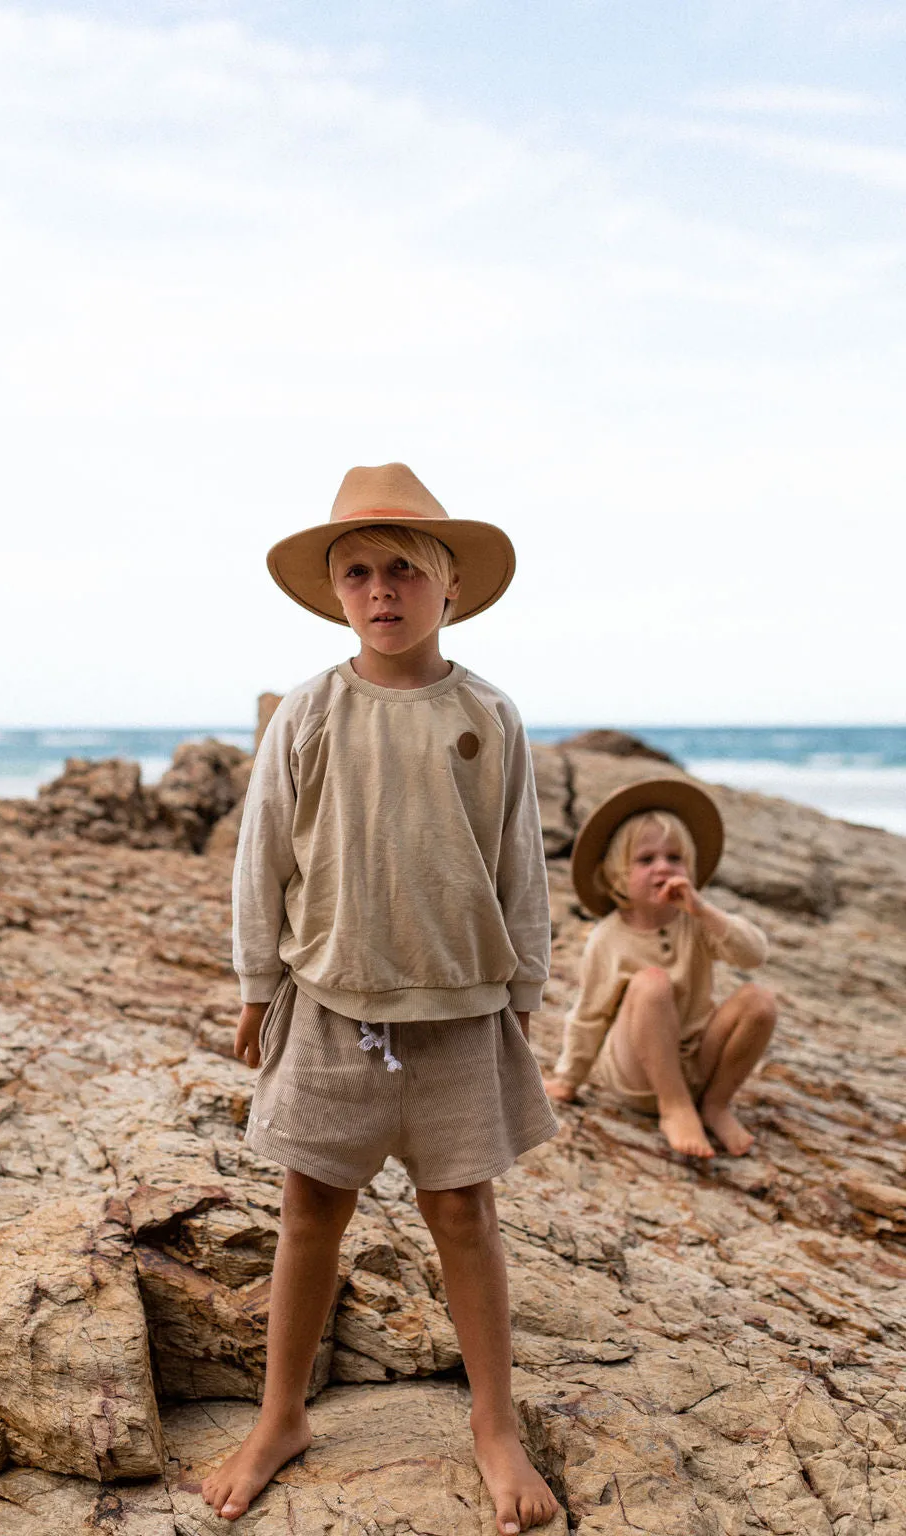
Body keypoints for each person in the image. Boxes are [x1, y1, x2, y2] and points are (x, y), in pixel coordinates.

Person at [202, 463, 560, 1533]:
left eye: (404, 568)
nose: (380, 589)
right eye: (357, 572)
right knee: (310, 1206)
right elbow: (260, 856)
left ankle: (493, 1423)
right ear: (336, 594)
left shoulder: (487, 714)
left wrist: (526, 989)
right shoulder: (309, 713)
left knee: (463, 1210)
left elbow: (519, 865)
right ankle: (281, 1414)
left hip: (460, 1010)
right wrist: (257, 984)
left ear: (448, 586)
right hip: (329, 1003)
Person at [546, 779, 775, 1159]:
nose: (663, 868)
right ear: (618, 876)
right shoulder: (609, 938)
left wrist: (703, 910)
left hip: (696, 1066)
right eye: (646, 860)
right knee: (651, 983)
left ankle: (714, 1105)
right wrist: (568, 1079)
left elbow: (753, 956)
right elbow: (589, 1014)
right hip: (639, 1075)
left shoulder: (695, 921)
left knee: (759, 1001)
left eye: (674, 858)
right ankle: (674, 1108)